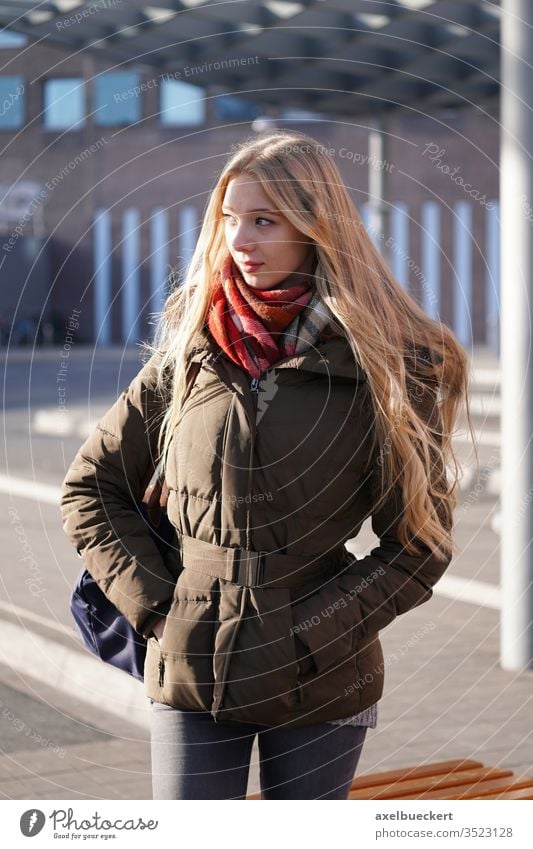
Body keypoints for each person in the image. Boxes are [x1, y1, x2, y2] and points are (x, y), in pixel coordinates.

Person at [60, 129, 474, 800]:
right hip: (191, 665)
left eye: (263, 220)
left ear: (316, 226)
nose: (239, 240)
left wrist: (312, 635)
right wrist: (162, 611)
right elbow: (90, 487)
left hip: (324, 679)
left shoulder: (390, 367)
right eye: (228, 220)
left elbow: (417, 544)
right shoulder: (191, 351)